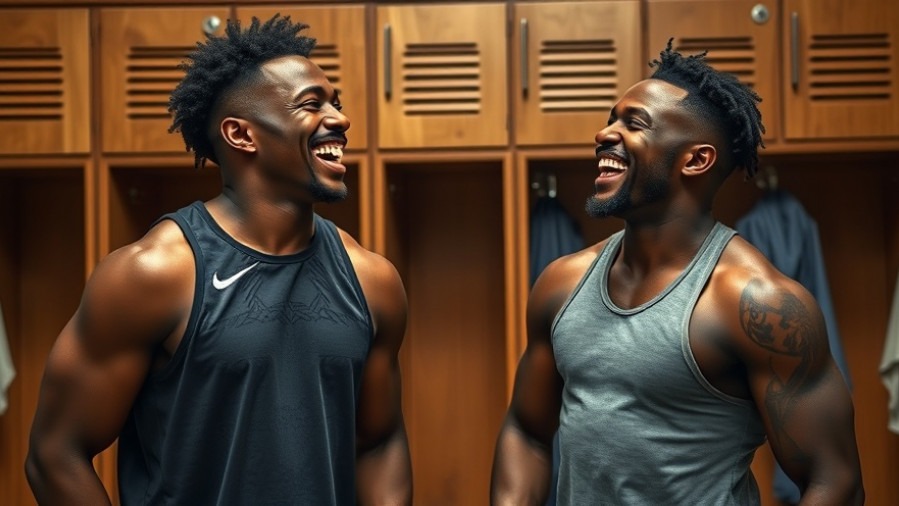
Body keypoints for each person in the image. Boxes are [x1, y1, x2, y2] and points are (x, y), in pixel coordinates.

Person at [26, 14, 412, 505]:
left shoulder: (371, 280)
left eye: (336, 103)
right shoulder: (155, 273)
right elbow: (55, 453)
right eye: (311, 105)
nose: (339, 118)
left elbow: (379, 441)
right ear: (242, 135)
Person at [491, 41, 864, 505]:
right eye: (612, 118)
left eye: (634, 124)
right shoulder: (561, 283)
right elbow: (527, 431)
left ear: (695, 160)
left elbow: (834, 480)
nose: (605, 133)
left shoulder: (755, 302)